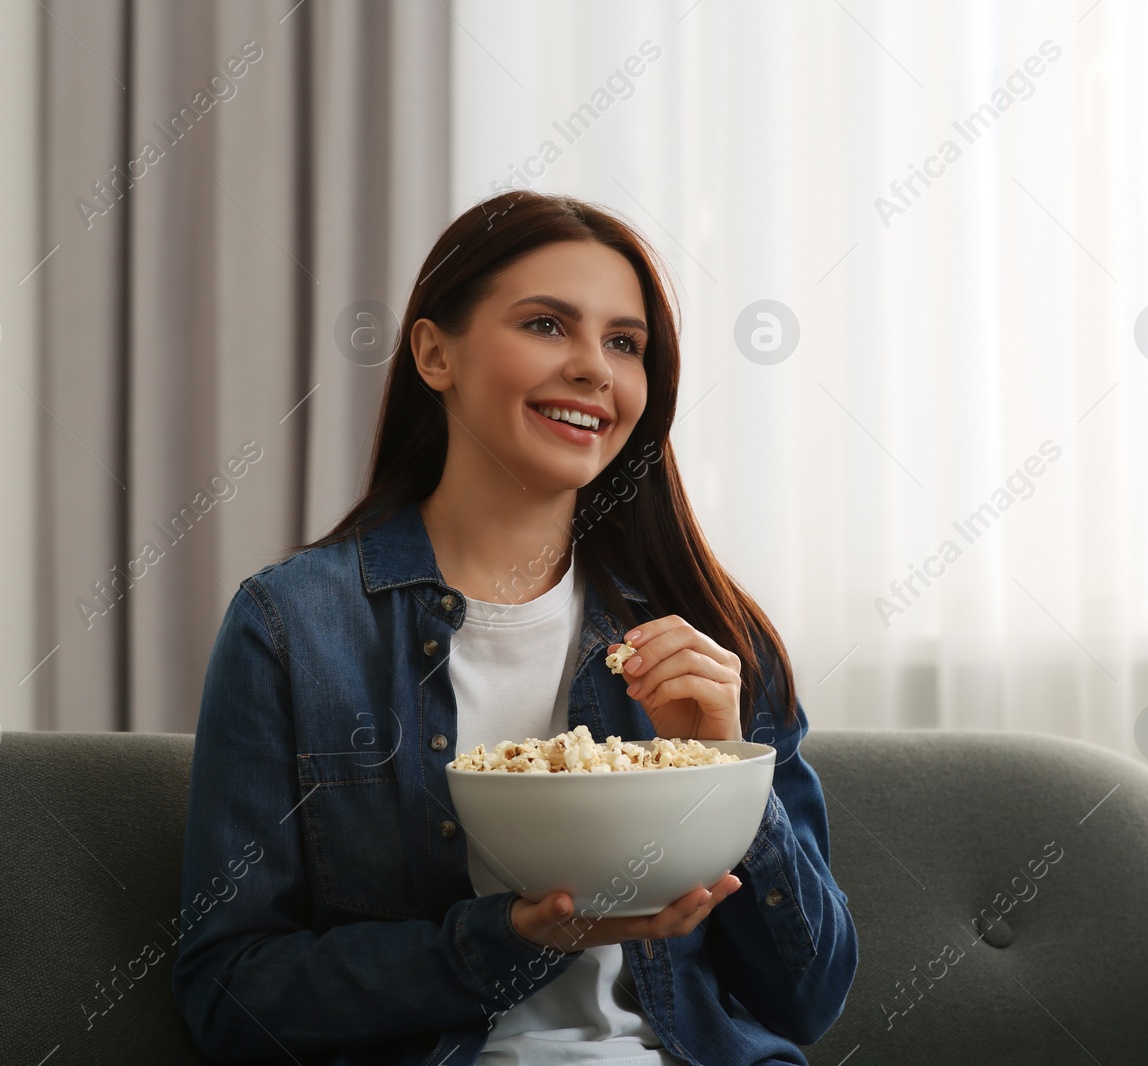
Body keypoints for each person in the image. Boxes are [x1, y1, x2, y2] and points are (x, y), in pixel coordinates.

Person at [171, 189, 858, 1065]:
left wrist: (729, 777)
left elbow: (809, 998)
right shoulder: (293, 628)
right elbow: (230, 994)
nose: (594, 370)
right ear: (434, 353)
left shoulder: (709, 635)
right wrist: (506, 941)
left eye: (625, 343)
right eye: (546, 325)